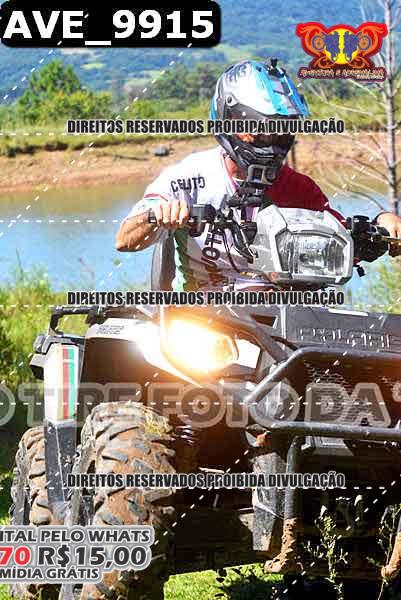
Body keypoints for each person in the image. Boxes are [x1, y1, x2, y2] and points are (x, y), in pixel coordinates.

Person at [116, 59, 401, 291]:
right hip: (199, 317)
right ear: (229, 121)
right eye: (260, 130)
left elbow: (343, 240)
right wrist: (155, 216)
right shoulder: (189, 177)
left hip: (280, 322)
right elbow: (124, 239)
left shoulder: (300, 190)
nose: (271, 143)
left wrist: (382, 225)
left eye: (282, 132)